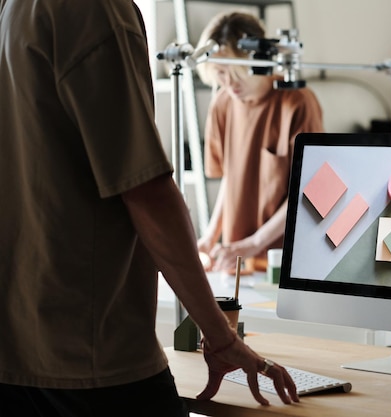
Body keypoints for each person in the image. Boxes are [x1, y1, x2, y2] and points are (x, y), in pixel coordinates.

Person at [0, 1, 298, 415]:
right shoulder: (95, 11)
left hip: (20, 342)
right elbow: (146, 190)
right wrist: (221, 336)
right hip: (91, 348)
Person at [195, 12, 324, 272]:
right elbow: (231, 179)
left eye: (237, 72)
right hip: (236, 262)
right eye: (220, 73)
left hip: (284, 263)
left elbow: (310, 191)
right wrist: (210, 237)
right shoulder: (222, 104)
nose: (229, 83)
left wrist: (255, 243)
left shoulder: (297, 102)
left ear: (259, 61)